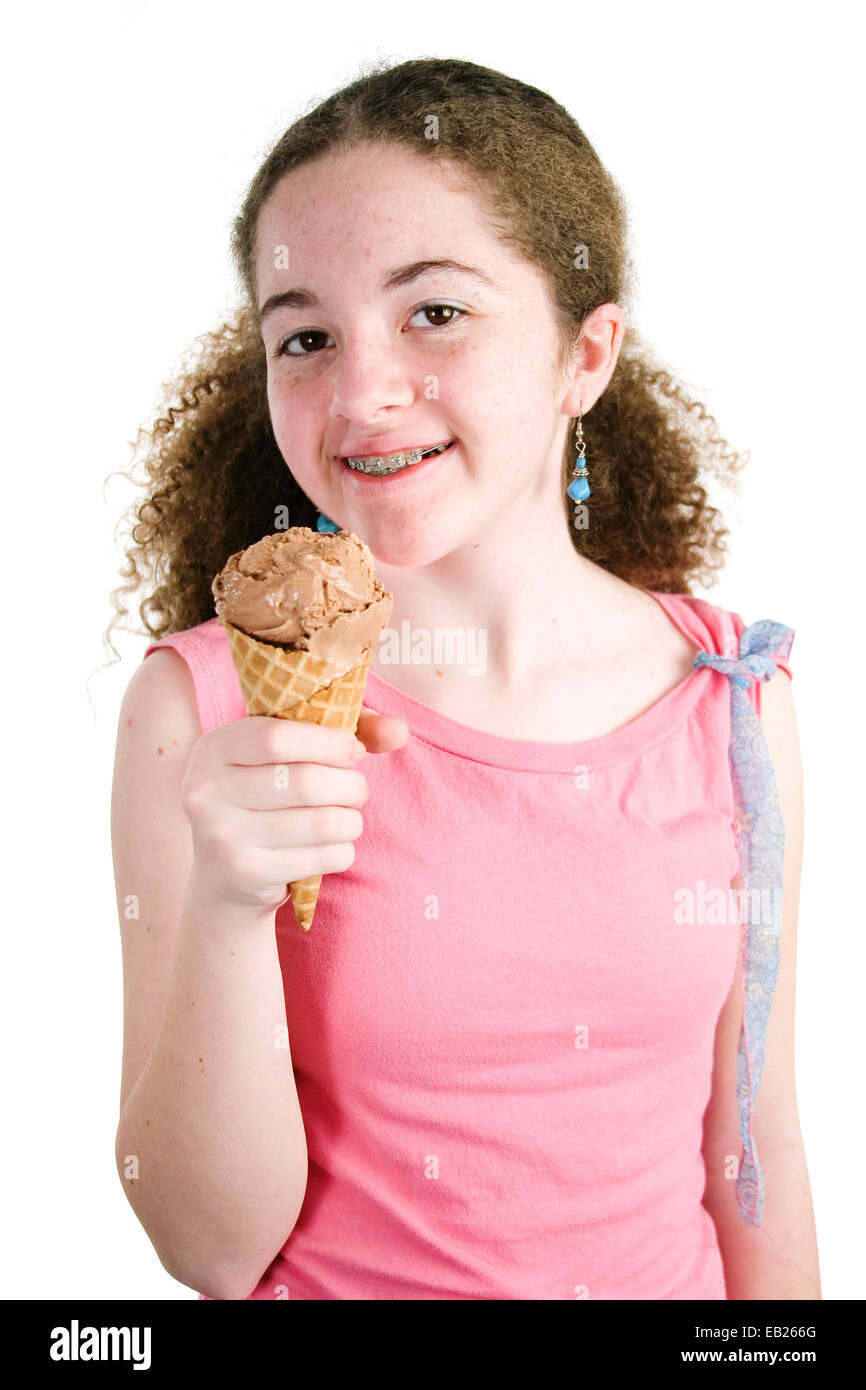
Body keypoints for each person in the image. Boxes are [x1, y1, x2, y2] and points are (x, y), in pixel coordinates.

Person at [107, 56, 820, 1300]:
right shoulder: (206, 708)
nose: (362, 391)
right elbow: (210, 1252)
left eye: (433, 312)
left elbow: (752, 1142)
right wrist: (230, 906)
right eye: (306, 337)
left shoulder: (730, 693)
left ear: (583, 355)